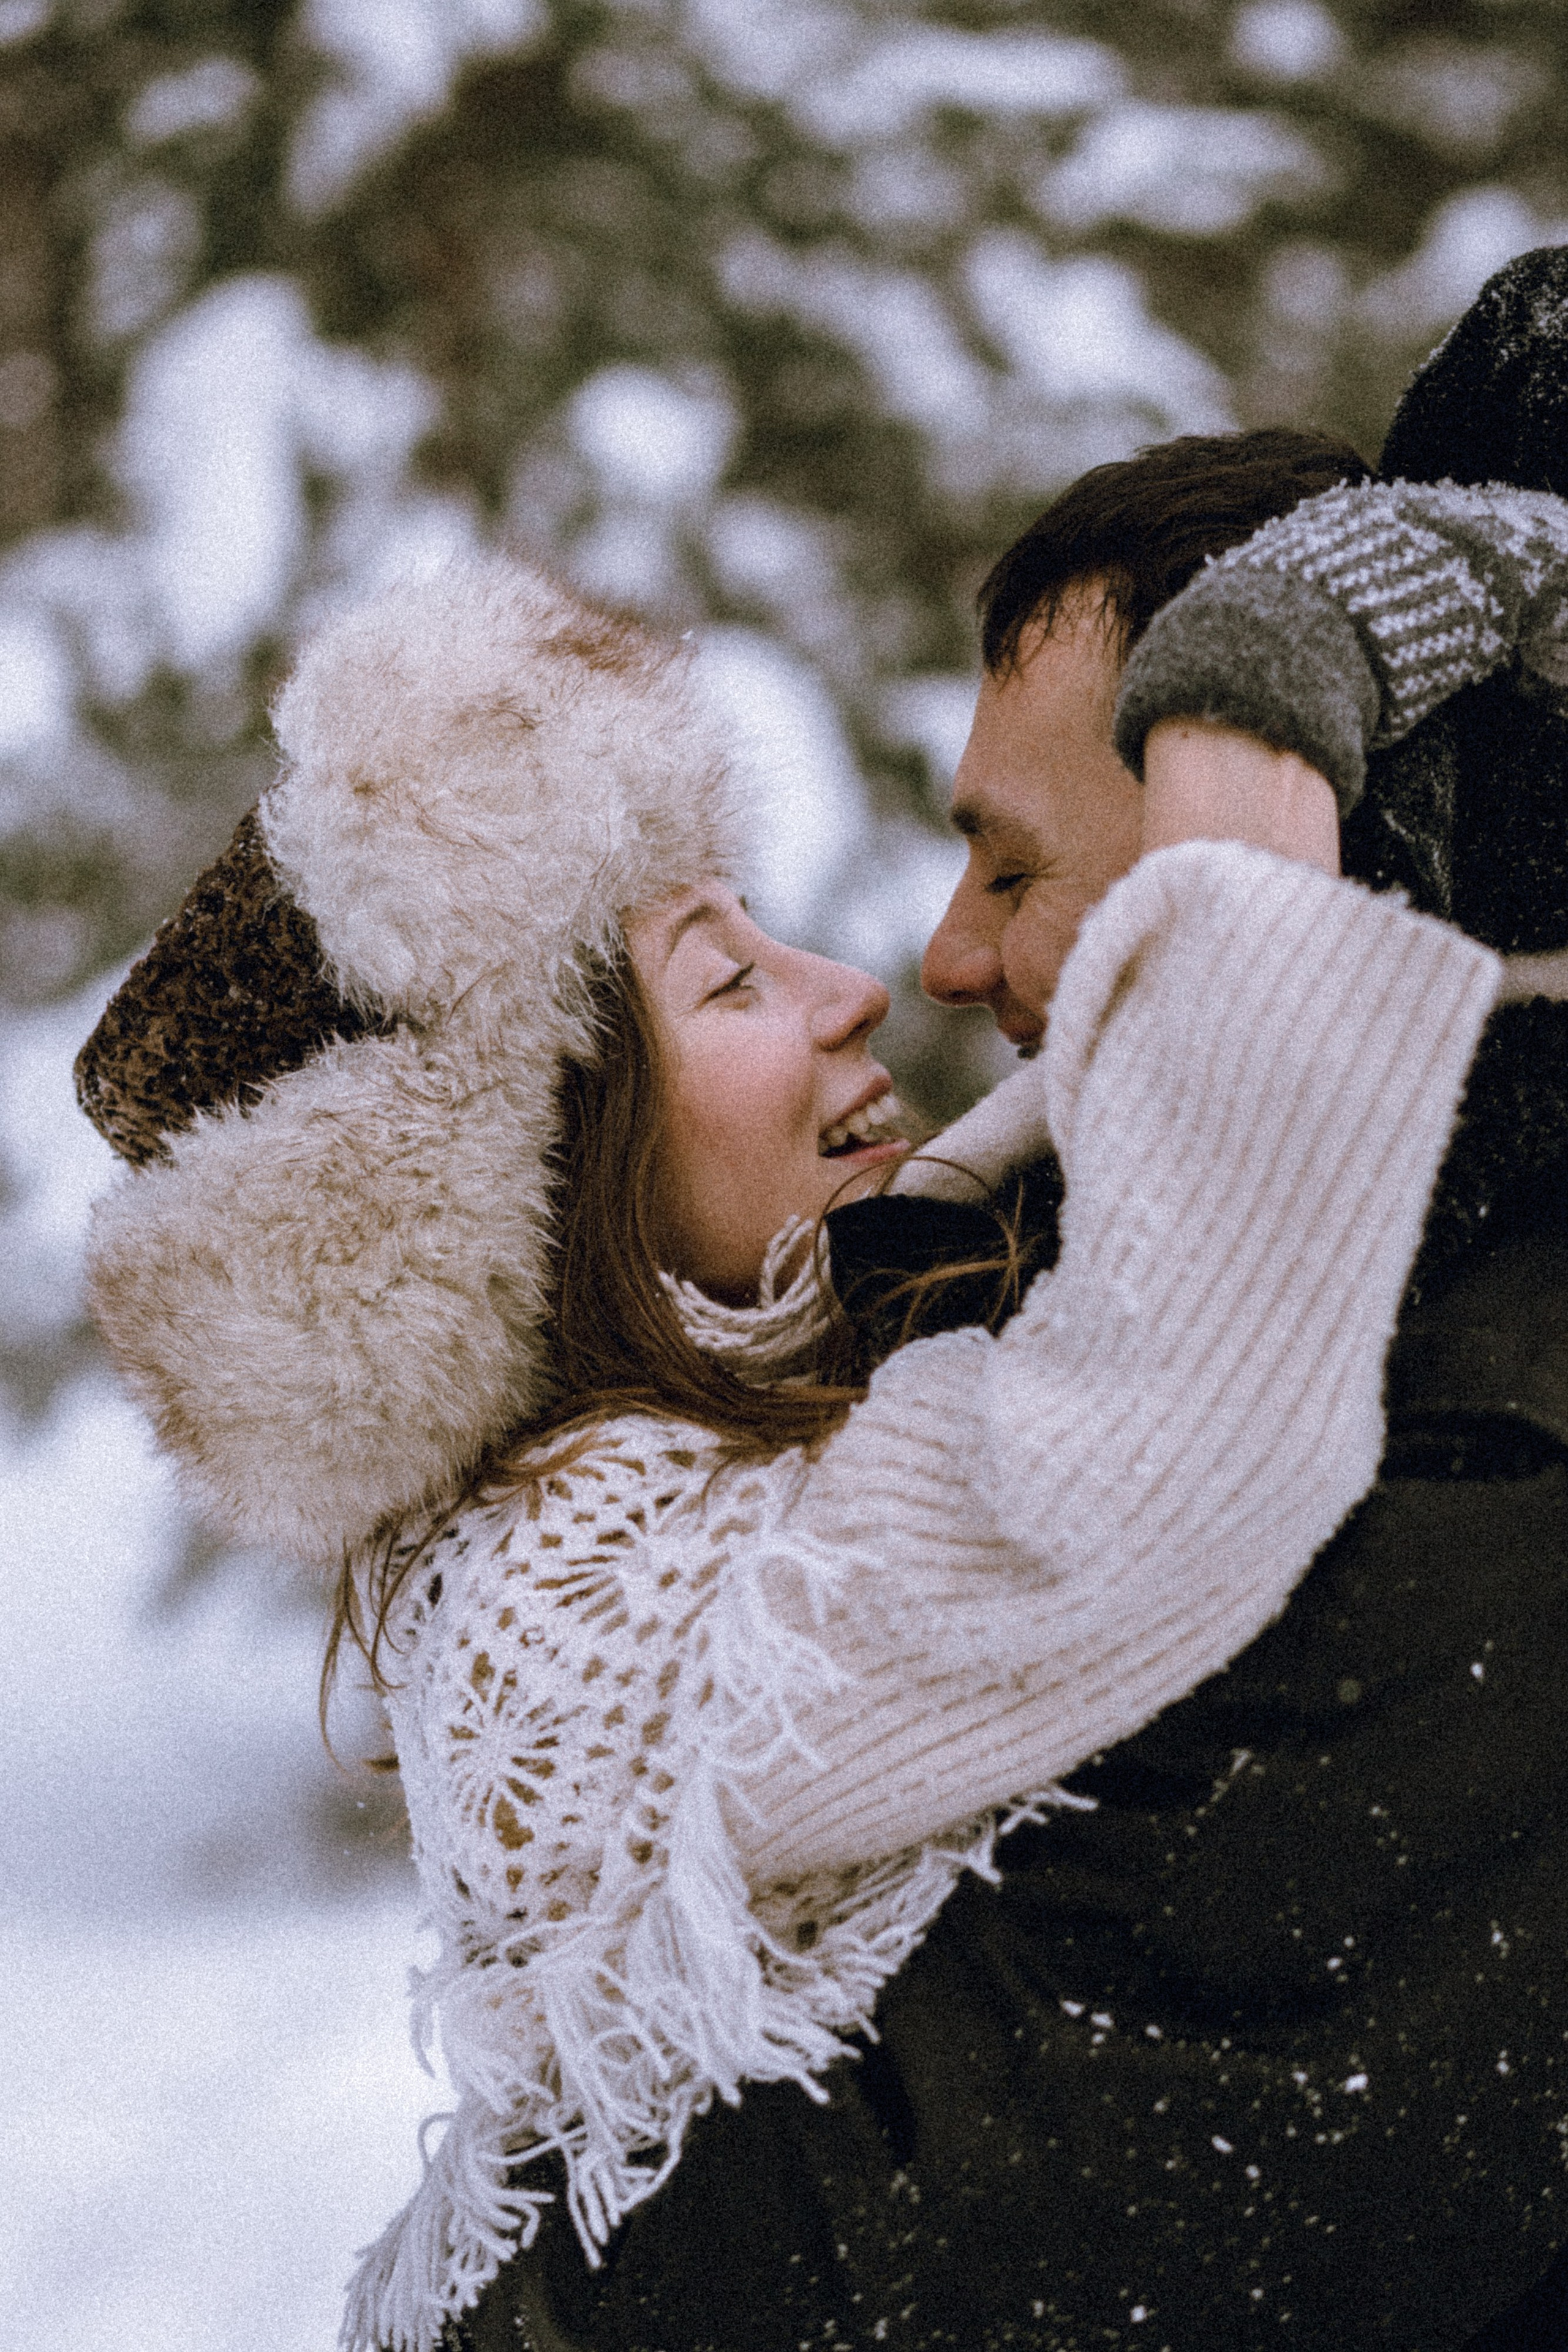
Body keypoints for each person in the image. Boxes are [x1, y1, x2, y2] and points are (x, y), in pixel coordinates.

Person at [73, 556, 1497, 2352]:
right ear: (544, 1162)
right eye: (730, 979)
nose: (850, 989)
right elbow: (1129, 1470)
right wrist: (1254, 770)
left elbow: (1016, 1216)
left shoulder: (704, 1441)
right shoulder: (561, 1612)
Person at [429, 254, 1568, 2352]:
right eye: (732, 975)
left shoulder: (1488, 1441)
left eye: (1020, 870)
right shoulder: (714, 1476)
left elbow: (1019, 2191)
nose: (926, 966)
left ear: (1292, 857)